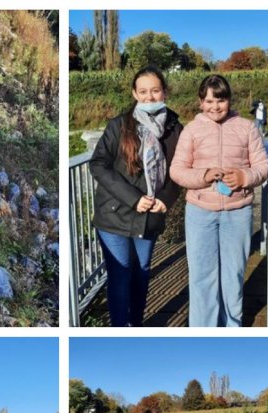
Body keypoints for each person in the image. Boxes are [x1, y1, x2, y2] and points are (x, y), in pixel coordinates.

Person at [169, 74, 268, 327]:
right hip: (200, 213)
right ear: (200, 102)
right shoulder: (191, 130)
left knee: (233, 275)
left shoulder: (247, 128)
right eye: (210, 101)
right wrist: (203, 176)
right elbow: (177, 170)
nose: (215, 106)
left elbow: (262, 167)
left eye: (221, 100)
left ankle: (231, 328)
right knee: (202, 277)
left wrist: (244, 176)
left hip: (238, 213)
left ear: (229, 100)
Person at [89, 65, 183, 327]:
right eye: (143, 91)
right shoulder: (119, 125)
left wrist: (166, 197)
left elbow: (179, 169)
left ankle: (136, 326)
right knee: (120, 276)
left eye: (155, 91)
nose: (149, 97)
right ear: (134, 93)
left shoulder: (175, 128)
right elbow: (98, 164)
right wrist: (132, 198)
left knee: (141, 275)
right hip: (114, 215)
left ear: (164, 91)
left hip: (150, 216)